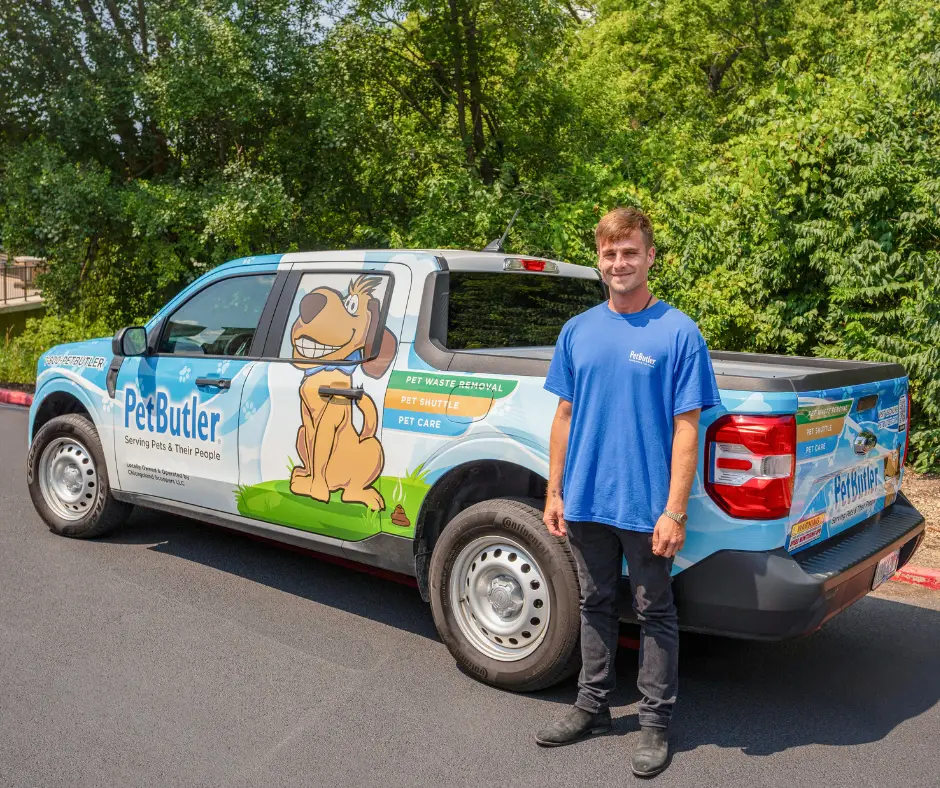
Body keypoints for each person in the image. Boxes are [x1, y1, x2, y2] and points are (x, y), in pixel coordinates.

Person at [536, 206, 721, 778]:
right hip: (586, 499)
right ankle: (591, 707)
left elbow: (688, 429)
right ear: (600, 259)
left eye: (630, 253)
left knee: (654, 611)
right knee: (593, 602)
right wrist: (555, 491)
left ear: (650, 257)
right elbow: (564, 415)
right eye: (610, 253)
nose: (620, 263)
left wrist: (674, 511)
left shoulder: (679, 332)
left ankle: (654, 724)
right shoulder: (578, 330)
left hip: (645, 506)